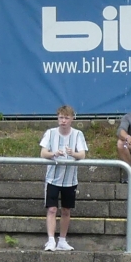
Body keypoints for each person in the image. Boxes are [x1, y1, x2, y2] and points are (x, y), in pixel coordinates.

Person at [40, 104, 87, 251]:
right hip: (52, 178)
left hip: (70, 180)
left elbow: (82, 154)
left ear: (72, 119)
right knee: (52, 209)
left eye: (66, 118)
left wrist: (73, 153)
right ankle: (50, 240)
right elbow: (43, 153)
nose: (63, 121)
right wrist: (54, 153)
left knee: (66, 210)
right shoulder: (50, 133)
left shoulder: (78, 134)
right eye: (61, 117)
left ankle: (62, 240)